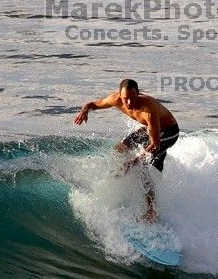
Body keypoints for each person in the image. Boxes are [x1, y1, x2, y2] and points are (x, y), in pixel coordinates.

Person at [74, 79, 180, 222]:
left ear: (138, 93)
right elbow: (93, 104)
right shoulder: (115, 99)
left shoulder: (148, 108)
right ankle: (116, 176)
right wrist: (84, 110)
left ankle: (151, 211)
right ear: (119, 95)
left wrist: (133, 162)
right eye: (125, 99)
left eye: (133, 98)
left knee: (141, 166)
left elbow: (155, 143)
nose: (129, 103)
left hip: (168, 132)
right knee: (120, 148)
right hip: (151, 129)